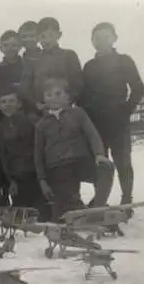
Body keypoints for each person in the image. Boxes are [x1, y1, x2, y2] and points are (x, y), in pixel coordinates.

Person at [82, 22, 144, 212]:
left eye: (106, 37)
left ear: (114, 38)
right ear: (92, 41)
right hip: (95, 121)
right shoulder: (89, 66)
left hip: (117, 119)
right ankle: (101, 199)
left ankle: (127, 198)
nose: (101, 42)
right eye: (97, 38)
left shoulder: (124, 60)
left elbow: (138, 88)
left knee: (122, 160)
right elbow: (84, 93)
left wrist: (126, 110)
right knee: (101, 161)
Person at [34, 78, 115, 222]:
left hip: (81, 161)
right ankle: (76, 208)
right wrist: (42, 180)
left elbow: (92, 134)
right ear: (43, 99)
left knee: (106, 168)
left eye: (58, 93)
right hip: (59, 169)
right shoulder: (41, 124)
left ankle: (97, 208)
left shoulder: (78, 114)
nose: (54, 98)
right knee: (65, 209)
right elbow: (38, 154)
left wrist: (99, 154)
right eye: (49, 95)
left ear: (68, 96)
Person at [0, 85, 51, 221]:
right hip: (18, 178)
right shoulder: (0, 127)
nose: (7, 105)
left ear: (19, 104)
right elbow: (3, 155)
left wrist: (43, 177)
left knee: (43, 217)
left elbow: (44, 146)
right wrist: (11, 181)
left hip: (37, 175)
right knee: (20, 217)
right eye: (3, 102)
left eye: (11, 101)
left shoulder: (32, 119)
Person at [20, 17, 84, 111]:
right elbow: (25, 88)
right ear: (37, 38)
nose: (47, 40)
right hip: (42, 111)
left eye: (51, 35)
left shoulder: (69, 55)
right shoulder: (33, 60)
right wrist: (36, 104)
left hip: (66, 109)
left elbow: (77, 83)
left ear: (59, 35)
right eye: (43, 36)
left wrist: (68, 101)